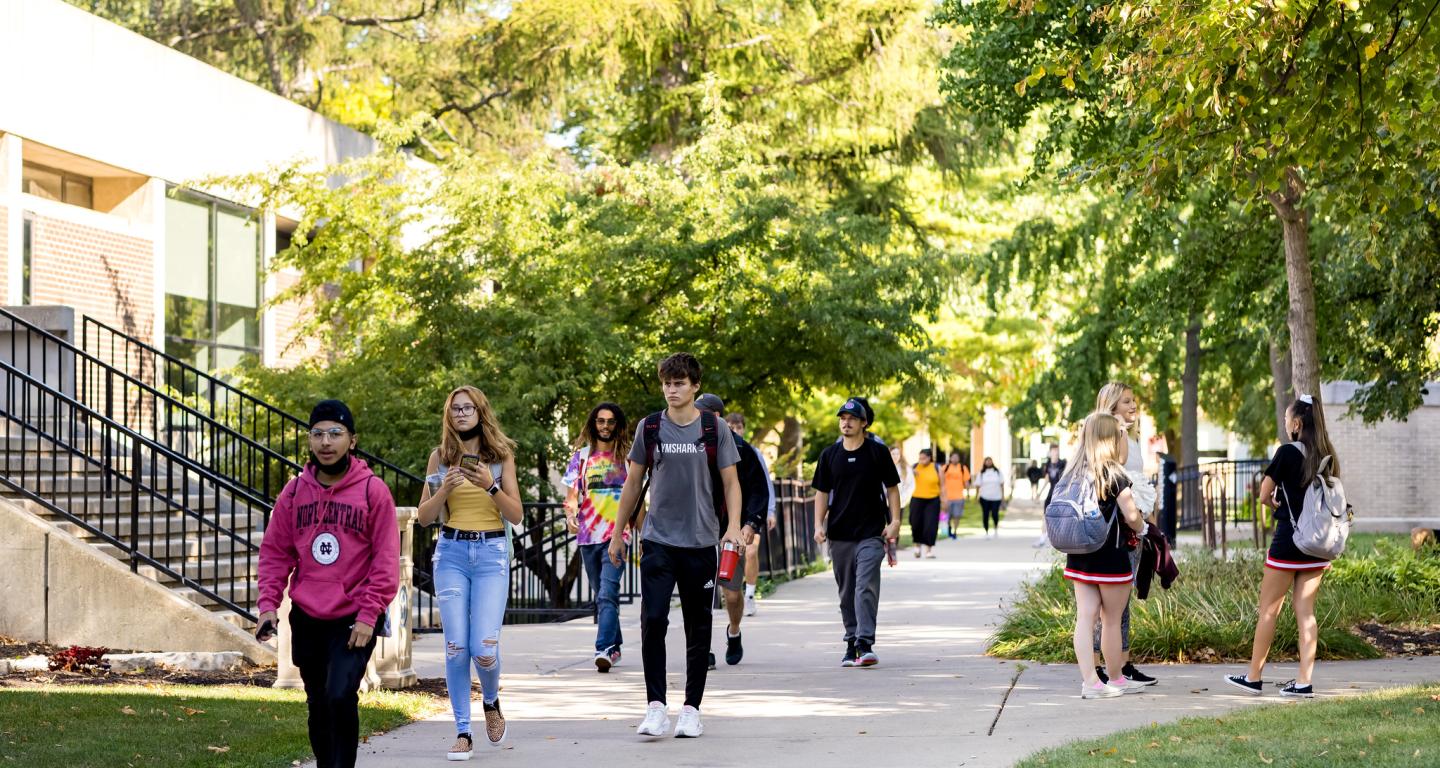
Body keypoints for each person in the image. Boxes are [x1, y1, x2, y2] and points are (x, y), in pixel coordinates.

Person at [256, 400, 400, 768]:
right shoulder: (293, 493)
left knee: (340, 696)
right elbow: (275, 553)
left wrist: (370, 615)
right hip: (307, 615)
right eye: (318, 433)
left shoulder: (373, 492)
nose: (326, 442)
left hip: (353, 617)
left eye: (335, 433)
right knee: (318, 702)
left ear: (352, 441)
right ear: (309, 440)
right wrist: (268, 606)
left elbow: (385, 562)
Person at [609, 353, 743, 739]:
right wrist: (619, 532)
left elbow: (731, 482)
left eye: (680, 383)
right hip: (658, 539)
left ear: (695, 386)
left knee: (697, 627)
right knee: (653, 620)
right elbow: (633, 483)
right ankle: (655, 707)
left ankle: (691, 709)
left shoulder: (713, 429)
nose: (672, 389)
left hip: (701, 542)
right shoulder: (649, 427)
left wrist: (732, 526)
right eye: (667, 383)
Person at [417, 386, 525, 760]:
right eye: (455, 409)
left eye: (468, 408)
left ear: (481, 412)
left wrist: (490, 485)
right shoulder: (440, 458)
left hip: (492, 553)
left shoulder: (500, 458)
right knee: (455, 646)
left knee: (483, 649)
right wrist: (443, 490)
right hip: (451, 553)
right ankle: (463, 731)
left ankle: (491, 701)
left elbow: (516, 514)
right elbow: (424, 517)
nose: (461, 414)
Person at [1225, 394, 1341, 699]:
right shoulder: (1327, 454)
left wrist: (1274, 500)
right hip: (1317, 544)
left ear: (1297, 423)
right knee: (1306, 612)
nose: (1286, 424)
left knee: (1268, 611)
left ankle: (1253, 677)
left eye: (1287, 419)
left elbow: (1264, 494)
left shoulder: (1287, 452)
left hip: (1289, 541)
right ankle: (1304, 682)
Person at [1060, 412, 1146, 699]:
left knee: (1085, 618)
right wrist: (1143, 527)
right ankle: (1116, 679)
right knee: (1111, 620)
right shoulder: (1114, 473)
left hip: (1079, 555)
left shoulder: (1073, 471)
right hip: (1111, 557)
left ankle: (1090, 683)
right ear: (1111, 438)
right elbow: (1131, 515)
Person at [812, 397, 902, 667]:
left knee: (865, 586)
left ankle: (865, 642)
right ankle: (851, 641)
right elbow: (821, 493)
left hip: (871, 533)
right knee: (846, 591)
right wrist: (818, 525)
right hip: (839, 534)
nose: (846, 422)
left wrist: (895, 521)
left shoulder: (877, 452)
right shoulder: (829, 455)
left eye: (852, 418)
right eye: (842, 418)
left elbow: (892, 488)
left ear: (864, 423)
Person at [1091, 382, 1160, 688]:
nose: (1133, 406)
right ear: (1112, 406)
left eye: (1134, 401)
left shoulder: (1129, 434)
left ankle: (1122, 664)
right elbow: (1116, 475)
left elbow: (1139, 481)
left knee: (1121, 601)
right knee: (1107, 605)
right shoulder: (1113, 434)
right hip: (1117, 529)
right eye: (1127, 402)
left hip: (1133, 525)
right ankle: (1100, 668)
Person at [694, 395, 770, 667]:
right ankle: (703, 649)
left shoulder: (741, 448)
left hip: (732, 529)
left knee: (732, 593)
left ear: (717, 418)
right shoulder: (690, 447)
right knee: (700, 593)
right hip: (698, 530)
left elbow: (759, 490)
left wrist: (751, 523)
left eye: (704, 414)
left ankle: (734, 631)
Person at [562, 402, 631, 673]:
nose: (605, 426)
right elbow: (570, 499)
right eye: (600, 421)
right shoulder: (581, 457)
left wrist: (643, 534)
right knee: (602, 595)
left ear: (618, 425)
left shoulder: (626, 457)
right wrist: (570, 517)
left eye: (611, 421)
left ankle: (603, 649)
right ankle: (616, 643)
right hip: (588, 536)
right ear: (594, 424)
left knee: (607, 594)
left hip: (617, 535)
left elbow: (637, 498)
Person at [723, 409, 776, 619]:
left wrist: (769, 511)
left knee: (751, 552)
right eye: (731, 426)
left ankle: (751, 594)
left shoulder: (752, 452)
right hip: (727, 519)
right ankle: (731, 594)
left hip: (751, 514)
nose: (735, 430)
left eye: (738, 427)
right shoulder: (718, 451)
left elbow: (764, 485)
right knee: (730, 562)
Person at [909, 448, 943, 558]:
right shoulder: (914, 467)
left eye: (923, 458)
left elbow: (943, 485)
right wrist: (911, 474)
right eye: (920, 458)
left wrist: (945, 500)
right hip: (917, 499)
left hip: (933, 499)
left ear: (929, 458)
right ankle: (917, 548)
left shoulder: (937, 468)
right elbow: (904, 479)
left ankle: (928, 550)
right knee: (915, 523)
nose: (921, 460)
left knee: (930, 525)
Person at [975, 457, 1006, 538]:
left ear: (992, 462)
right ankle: (986, 531)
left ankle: (996, 529)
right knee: (985, 514)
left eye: (990, 461)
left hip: (996, 497)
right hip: (984, 497)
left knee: (995, 514)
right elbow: (978, 486)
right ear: (984, 463)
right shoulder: (981, 473)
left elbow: (1002, 485)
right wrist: (977, 497)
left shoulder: (998, 472)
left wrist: (1003, 497)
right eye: (987, 461)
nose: (988, 463)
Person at [943, 451, 970, 539]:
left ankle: (955, 531)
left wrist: (968, 493)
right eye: (953, 457)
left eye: (956, 457)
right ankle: (948, 528)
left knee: (957, 515)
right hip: (947, 497)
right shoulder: (945, 468)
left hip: (959, 496)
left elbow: (966, 481)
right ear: (950, 458)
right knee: (948, 516)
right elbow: (940, 481)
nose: (955, 459)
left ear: (959, 459)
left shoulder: (963, 468)